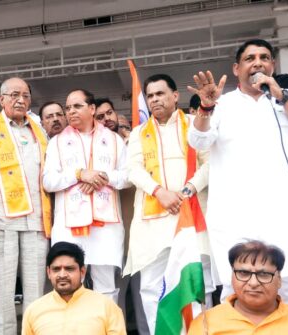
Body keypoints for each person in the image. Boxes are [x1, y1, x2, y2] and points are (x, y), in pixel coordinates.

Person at [187, 39, 288, 317]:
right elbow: (198, 141)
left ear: (273, 65)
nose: (258, 63)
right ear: (237, 68)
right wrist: (205, 107)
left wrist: (282, 96)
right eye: (250, 58)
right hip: (238, 215)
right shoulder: (220, 105)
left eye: (264, 57)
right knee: (238, 288)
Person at [124, 74, 213, 333]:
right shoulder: (140, 133)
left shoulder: (194, 125)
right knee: (152, 287)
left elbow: (210, 163)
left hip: (192, 215)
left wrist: (187, 190)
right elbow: (133, 169)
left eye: (160, 94)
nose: (155, 100)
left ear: (175, 96)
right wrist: (159, 192)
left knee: (197, 283)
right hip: (152, 223)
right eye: (150, 96)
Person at [0, 77, 51, 335]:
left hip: (37, 222)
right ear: (2, 99)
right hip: (0, 222)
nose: (21, 100)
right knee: (3, 294)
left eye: (26, 96)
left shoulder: (38, 128)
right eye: (14, 95)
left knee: (36, 293)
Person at [43, 89, 129, 301]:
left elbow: (128, 176)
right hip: (69, 229)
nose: (71, 111)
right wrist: (79, 175)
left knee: (106, 289)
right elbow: (48, 182)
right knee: (68, 288)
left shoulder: (114, 140)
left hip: (105, 228)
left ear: (92, 109)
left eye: (77, 106)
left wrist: (102, 177)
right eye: (68, 107)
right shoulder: (56, 142)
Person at [188, 240, 288, 334]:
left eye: (264, 274)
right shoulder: (206, 324)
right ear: (232, 277)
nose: (253, 283)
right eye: (243, 273)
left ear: (279, 280)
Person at [22, 241, 125, 335]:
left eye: (69, 269)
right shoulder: (34, 310)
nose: (62, 275)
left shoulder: (107, 307)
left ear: (82, 271)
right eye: (56, 269)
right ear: (49, 272)